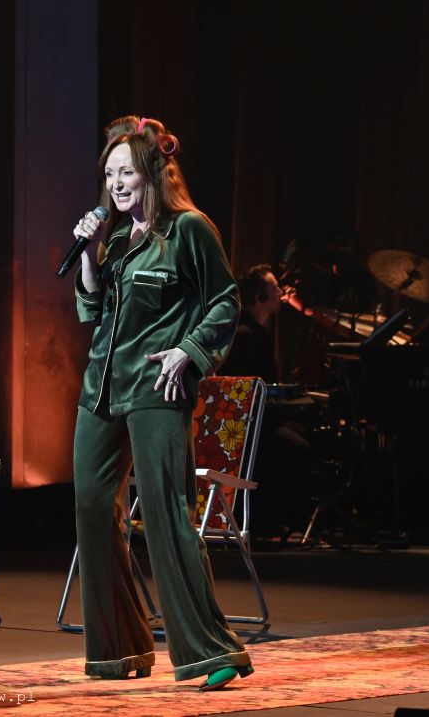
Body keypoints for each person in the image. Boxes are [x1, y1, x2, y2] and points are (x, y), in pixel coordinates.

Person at [69, 115, 253, 691]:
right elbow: (93, 311)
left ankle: (211, 650)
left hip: (156, 387)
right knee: (92, 507)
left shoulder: (189, 229)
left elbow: (225, 300)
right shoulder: (119, 237)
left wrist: (189, 351)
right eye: (109, 174)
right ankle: (119, 648)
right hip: (101, 388)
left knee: (167, 513)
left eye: (126, 172)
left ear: (152, 172)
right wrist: (88, 254)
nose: (116, 184)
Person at [217, 264, 281, 382]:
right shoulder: (245, 337)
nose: (280, 292)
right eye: (275, 288)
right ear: (261, 297)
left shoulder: (241, 330)